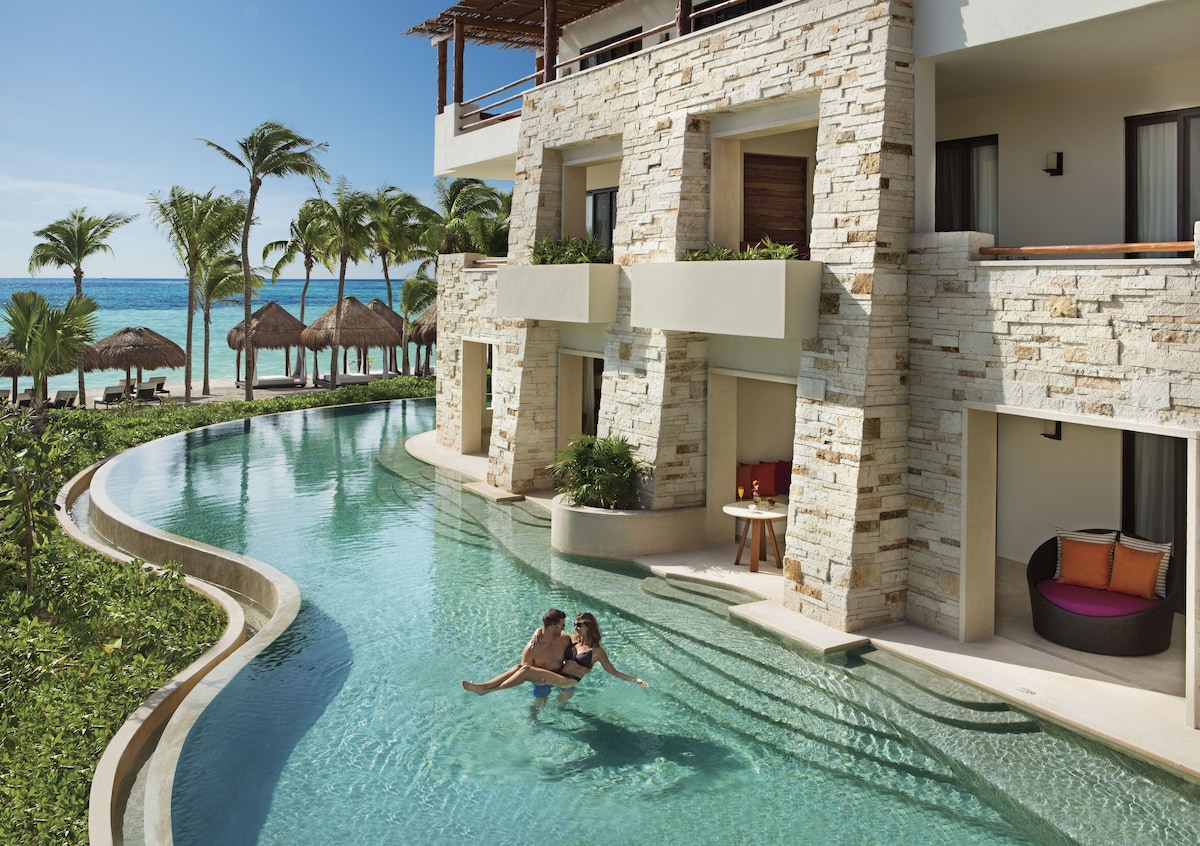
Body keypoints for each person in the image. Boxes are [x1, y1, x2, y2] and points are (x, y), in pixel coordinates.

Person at [461, 612, 648, 695]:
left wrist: (635, 679)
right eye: (574, 624)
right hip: (557, 676)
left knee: (526, 670)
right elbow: (549, 630)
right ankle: (483, 686)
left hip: (568, 681)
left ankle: (488, 691)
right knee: (520, 666)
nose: (575, 627)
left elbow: (613, 672)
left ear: (588, 626)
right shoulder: (572, 639)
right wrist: (536, 631)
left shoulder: (597, 651)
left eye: (579, 624)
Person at [461, 608, 573, 699]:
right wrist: (536, 680)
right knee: (538, 705)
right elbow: (523, 672)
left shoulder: (565, 639)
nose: (564, 628)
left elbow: (581, 639)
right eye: (562, 626)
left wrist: (538, 630)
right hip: (541, 681)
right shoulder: (533, 647)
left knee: (565, 699)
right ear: (552, 627)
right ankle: (485, 687)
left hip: (561, 677)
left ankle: (485, 688)